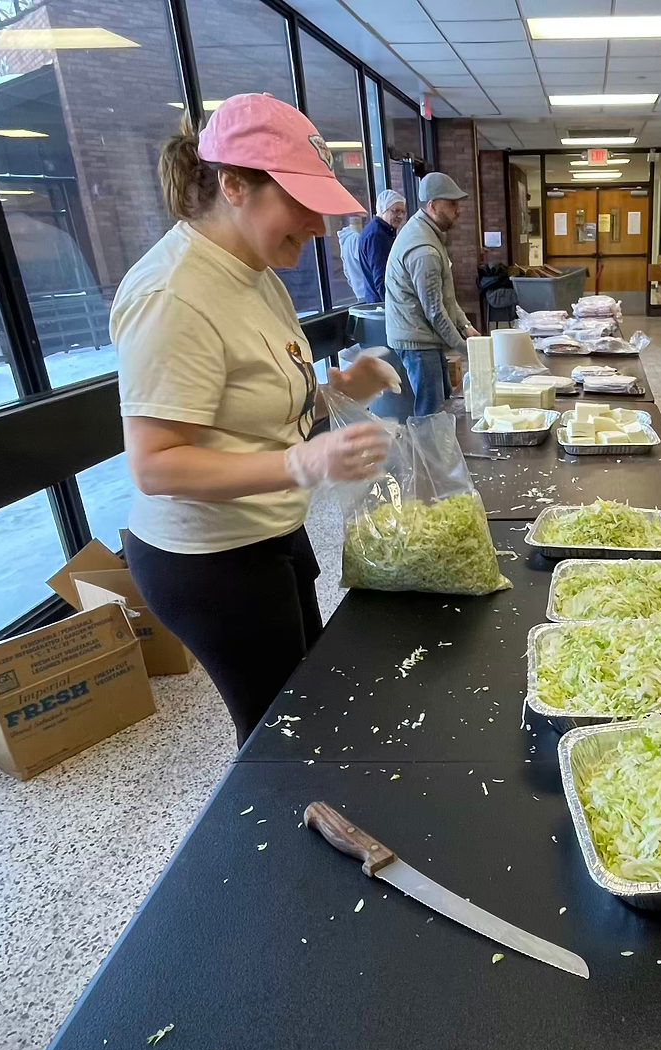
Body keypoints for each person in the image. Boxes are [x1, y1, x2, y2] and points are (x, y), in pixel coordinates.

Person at [111, 94, 392, 746]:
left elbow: (256, 398)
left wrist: (335, 389)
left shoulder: (256, 269)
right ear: (233, 185)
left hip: (270, 530)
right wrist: (302, 462)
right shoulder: (172, 293)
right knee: (279, 735)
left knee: (312, 700)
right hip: (208, 559)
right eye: (299, 202)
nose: (319, 226)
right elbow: (155, 463)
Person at [384, 172, 479, 416]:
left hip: (424, 335)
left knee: (443, 401)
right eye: (452, 204)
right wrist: (468, 350)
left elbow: (446, 297)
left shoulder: (430, 234)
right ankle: (427, 454)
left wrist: (465, 325)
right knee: (432, 410)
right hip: (417, 339)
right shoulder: (423, 249)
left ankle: (438, 451)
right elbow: (435, 312)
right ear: (432, 206)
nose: (459, 210)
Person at [359, 189, 407, 302]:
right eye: (395, 211)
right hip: (382, 306)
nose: (400, 216)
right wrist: (395, 306)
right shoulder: (377, 235)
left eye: (403, 212)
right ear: (382, 210)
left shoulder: (379, 231)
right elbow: (382, 278)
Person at [337, 214, 367, 300]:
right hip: (365, 290)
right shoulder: (356, 239)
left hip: (358, 289)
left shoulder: (345, 239)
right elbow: (366, 263)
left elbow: (346, 269)